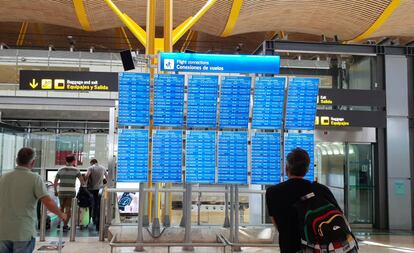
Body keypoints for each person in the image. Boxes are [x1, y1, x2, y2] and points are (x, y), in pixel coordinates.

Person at [266, 148, 357, 253]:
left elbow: (278, 226)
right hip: (319, 248)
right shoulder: (321, 189)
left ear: (287, 168)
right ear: (307, 169)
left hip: (289, 247)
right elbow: (338, 217)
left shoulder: (272, 192)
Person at [0, 147, 67, 253]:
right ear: (33, 162)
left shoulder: (3, 177)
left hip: (3, 231)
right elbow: (47, 201)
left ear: (16, 160)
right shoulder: (34, 178)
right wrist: (60, 214)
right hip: (23, 231)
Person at [54, 154, 84, 231]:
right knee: (68, 209)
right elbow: (82, 181)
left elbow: (55, 181)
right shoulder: (76, 170)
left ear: (66, 160)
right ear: (73, 161)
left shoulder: (60, 169)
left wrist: (55, 190)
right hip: (71, 192)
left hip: (62, 192)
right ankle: (65, 225)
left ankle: (59, 223)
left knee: (61, 208)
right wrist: (80, 190)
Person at [85, 159, 107, 230]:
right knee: (99, 205)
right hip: (100, 189)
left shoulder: (91, 168)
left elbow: (86, 176)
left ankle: (93, 219)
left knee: (92, 204)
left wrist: (85, 183)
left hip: (92, 189)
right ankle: (97, 220)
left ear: (92, 162)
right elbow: (107, 177)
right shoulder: (103, 168)